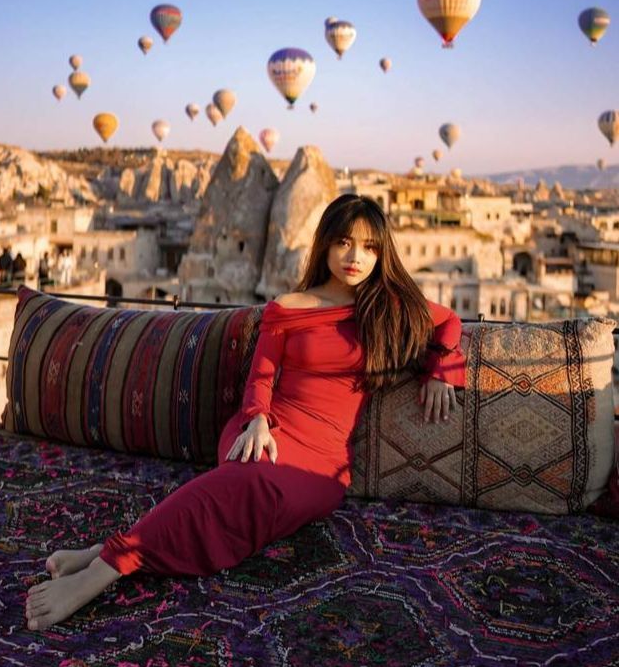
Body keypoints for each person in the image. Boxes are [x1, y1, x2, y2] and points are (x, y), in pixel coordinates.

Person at [25, 194, 466, 632]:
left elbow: (448, 323)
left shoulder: (387, 306)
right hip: (265, 427)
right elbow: (262, 375)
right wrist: (256, 418)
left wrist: (442, 372)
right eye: (345, 242)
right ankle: (102, 573)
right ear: (326, 244)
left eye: (370, 247)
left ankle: (106, 550)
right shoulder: (288, 308)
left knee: (242, 491)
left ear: (382, 252)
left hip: (324, 461)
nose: (356, 257)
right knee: (239, 482)